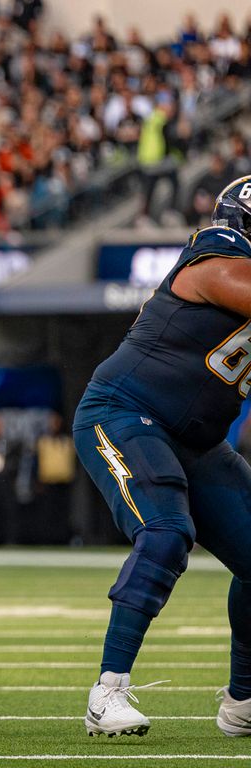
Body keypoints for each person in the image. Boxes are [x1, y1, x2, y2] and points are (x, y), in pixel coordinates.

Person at [73, 175, 251, 738]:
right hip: (123, 412)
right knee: (167, 530)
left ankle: (244, 701)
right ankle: (107, 692)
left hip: (197, 440)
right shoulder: (214, 256)